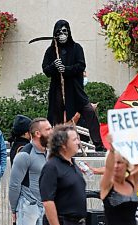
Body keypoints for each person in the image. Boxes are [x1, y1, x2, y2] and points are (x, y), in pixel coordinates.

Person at [42, 19, 104, 151]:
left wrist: (66, 69)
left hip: (75, 89)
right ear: (55, 34)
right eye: (59, 32)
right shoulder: (51, 51)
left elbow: (81, 65)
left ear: (69, 32)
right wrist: (54, 66)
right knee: (57, 119)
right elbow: (46, 70)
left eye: (65, 31)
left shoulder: (76, 48)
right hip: (58, 90)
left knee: (89, 111)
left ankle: (98, 144)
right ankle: (58, 146)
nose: (62, 34)